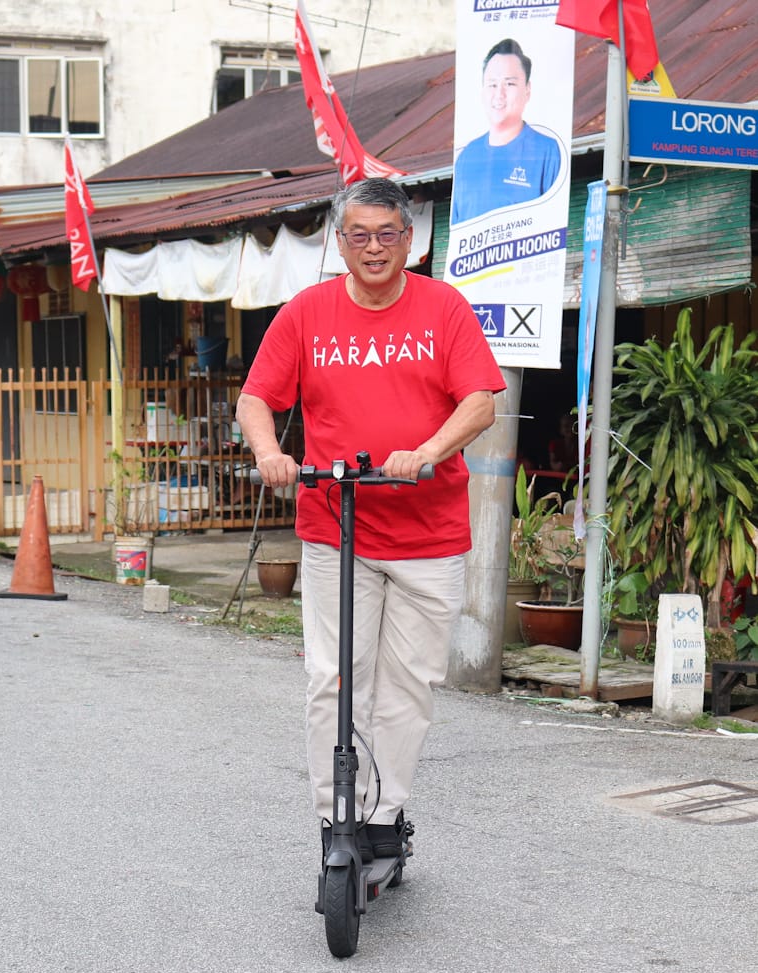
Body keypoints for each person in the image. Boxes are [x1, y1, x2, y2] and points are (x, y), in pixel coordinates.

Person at [236, 177, 506, 862]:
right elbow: (255, 399)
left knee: (407, 683)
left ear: (408, 240)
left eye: (388, 234)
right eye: (360, 235)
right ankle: (338, 821)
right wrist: (271, 453)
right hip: (336, 525)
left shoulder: (442, 308)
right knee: (333, 678)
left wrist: (428, 451)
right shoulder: (307, 312)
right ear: (340, 241)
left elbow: (479, 401)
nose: (375, 247)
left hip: (428, 534)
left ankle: (384, 816)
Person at [450, 38, 562, 225]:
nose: (499, 94)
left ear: (527, 90)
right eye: (493, 84)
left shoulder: (547, 151)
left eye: (509, 84)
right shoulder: (467, 157)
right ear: (482, 90)